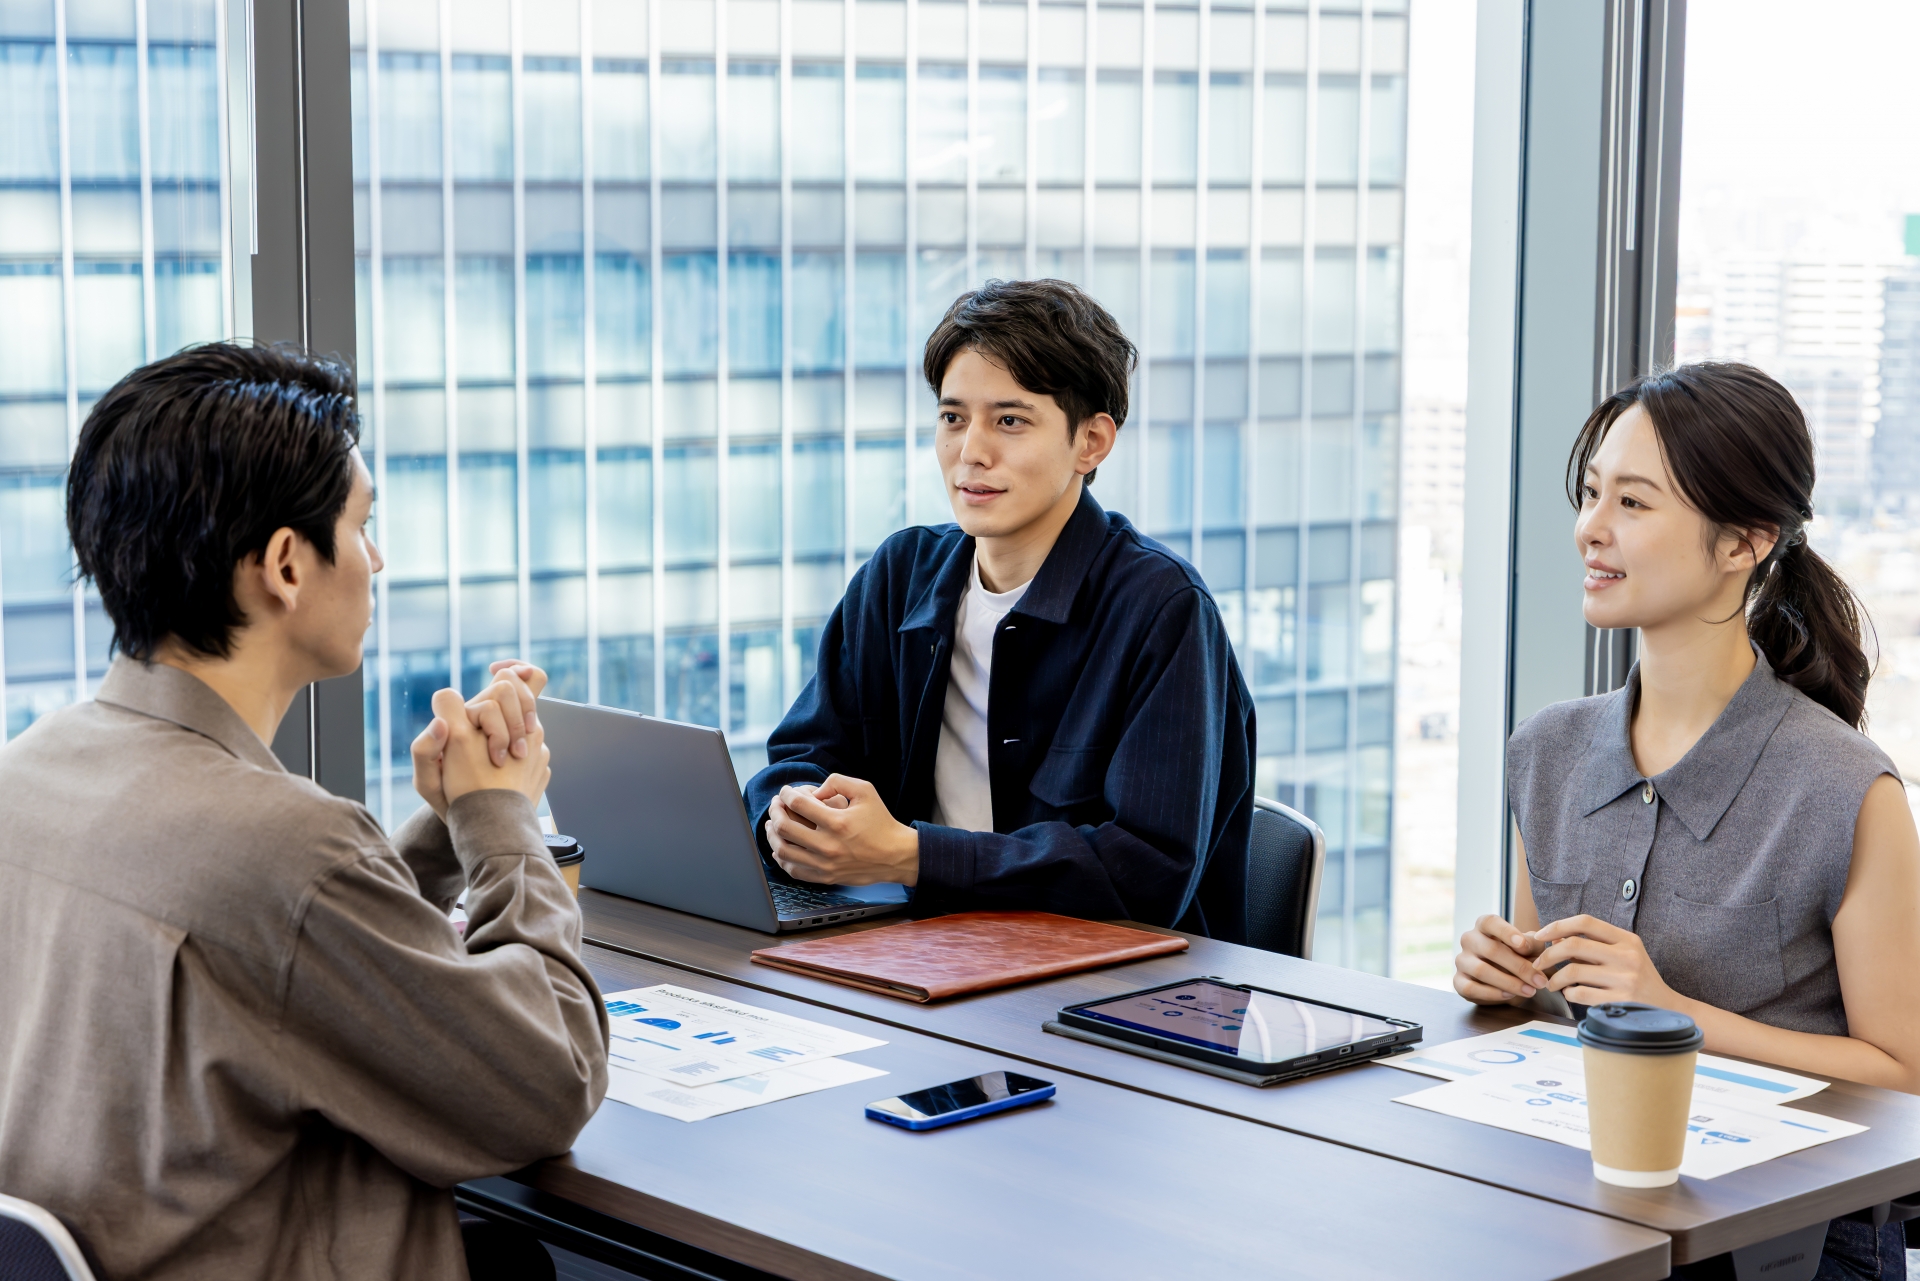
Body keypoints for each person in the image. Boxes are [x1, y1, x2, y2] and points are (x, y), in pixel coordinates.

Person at [0, 342, 606, 1281]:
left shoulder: (30, 769)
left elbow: (269, 957)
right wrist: (501, 825)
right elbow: (548, 1080)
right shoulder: (286, 848)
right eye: (363, 525)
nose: (376, 558)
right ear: (286, 563)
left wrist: (439, 831)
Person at [1452, 363, 1920, 1280]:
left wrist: (1674, 1013)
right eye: (1591, 494)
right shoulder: (1545, 751)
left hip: (1783, 1243)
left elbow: (1904, 1076)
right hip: (1580, 1205)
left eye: (1633, 502)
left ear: (1744, 541)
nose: (1591, 527)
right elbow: (1544, 1016)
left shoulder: (1848, 788)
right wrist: (1501, 980)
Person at [746, 279, 1256, 939]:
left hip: (1104, 992)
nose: (970, 451)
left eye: (1009, 420)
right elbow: (800, 752)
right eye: (953, 417)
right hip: (916, 952)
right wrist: (793, 817)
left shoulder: (1161, 608)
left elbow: (1146, 872)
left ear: (1091, 442)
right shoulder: (899, 575)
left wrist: (912, 853)